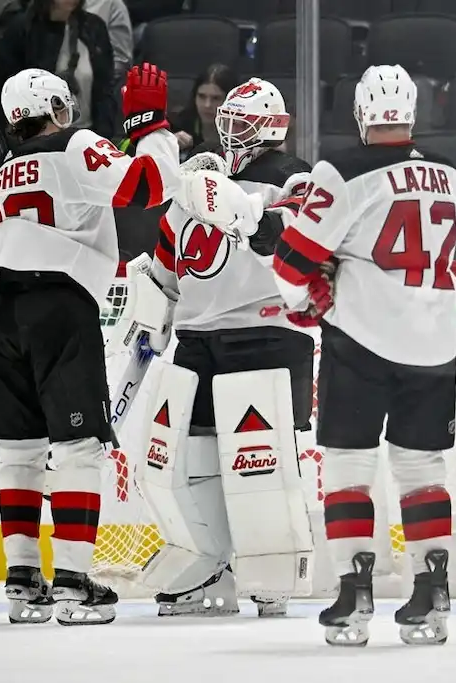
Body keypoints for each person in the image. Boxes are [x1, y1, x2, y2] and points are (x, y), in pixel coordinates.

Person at [0, 63, 179, 626]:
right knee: (80, 446)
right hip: (58, 302)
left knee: (20, 449)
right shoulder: (77, 143)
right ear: (58, 109)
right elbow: (150, 188)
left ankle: (22, 579)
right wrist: (151, 125)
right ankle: (75, 583)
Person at [271, 64, 456, 647]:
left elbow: (290, 263)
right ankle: (433, 590)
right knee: (422, 471)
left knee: (350, 470)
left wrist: (307, 299)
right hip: (435, 343)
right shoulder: (447, 175)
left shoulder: (343, 170)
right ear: (411, 112)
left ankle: (355, 594)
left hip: (362, 341)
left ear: (360, 114)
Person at [119, 76, 316, 618]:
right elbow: (163, 273)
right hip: (197, 338)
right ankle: (213, 565)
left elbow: (298, 241)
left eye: (244, 122)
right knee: (189, 461)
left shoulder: (293, 177)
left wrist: (251, 216)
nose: (231, 132)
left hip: (269, 333)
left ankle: (272, 568)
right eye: (227, 119)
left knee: (262, 461)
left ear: (275, 126)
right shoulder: (196, 184)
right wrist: (142, 337)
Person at [0, 0, 118, 141]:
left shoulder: (94, 27)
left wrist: (103, 139)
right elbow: (2, 90)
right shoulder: (23, 28)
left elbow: (105, 89)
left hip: (89, 135)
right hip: (39, 139)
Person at [167, 63, 237, 157]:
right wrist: (169, 143)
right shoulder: (178, 124)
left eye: (216, 98)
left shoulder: (244, 131)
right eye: (201, 96)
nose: (207, 105)